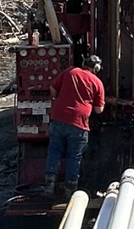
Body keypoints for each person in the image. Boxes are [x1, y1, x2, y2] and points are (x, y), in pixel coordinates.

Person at [45, 53, 106, 199]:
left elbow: (53, 89)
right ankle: (69, 191)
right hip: (78, 123)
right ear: (96, 68)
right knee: (74, 157)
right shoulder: (97, 83)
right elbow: (98, 110)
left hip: (58, 118)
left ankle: (48, 187)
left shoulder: (70, 71)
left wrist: (59, 99)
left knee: (54, 151)